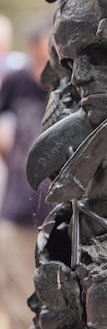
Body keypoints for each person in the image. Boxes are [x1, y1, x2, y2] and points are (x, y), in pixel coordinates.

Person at [0, 17, 52, 329]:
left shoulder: (70, 83)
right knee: (18, 295)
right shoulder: (18, 80)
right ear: (32, 48)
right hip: (19, 205)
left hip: (56, 209)